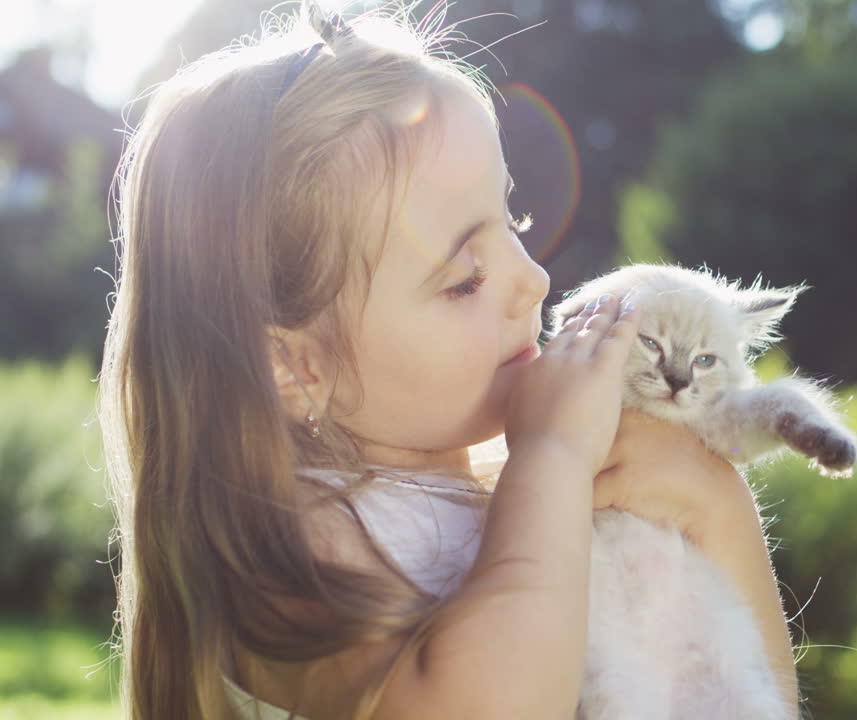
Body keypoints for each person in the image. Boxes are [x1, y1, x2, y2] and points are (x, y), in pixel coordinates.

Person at [98, 3, 798, 718]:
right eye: (465, 278)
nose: (535, 280)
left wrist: (716, 505)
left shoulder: (517, 482)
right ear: (296, 367)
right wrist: (554, 458)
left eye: (514, 221)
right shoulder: (293, 549)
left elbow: (750, 694)